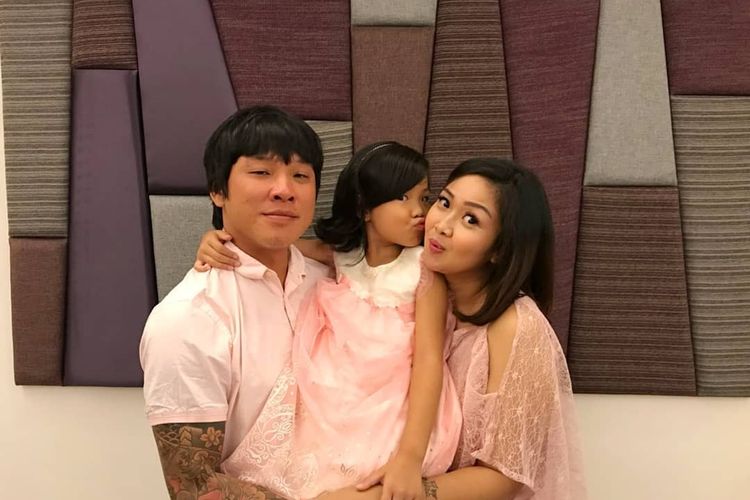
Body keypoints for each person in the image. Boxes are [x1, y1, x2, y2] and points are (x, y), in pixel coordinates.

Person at [199, 158, 586, 500]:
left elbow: (506, 479)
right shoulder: (410, 277)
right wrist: (222, 240)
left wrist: (386, 490)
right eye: (443, 202)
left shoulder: (517, 327)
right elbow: (292, 248)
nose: (441, 225)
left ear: (501, 247)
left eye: (471, 220)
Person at [199, 142, 462, 500]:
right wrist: (216, 240)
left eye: (425, 198)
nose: (420, 211)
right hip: (333, 397)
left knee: (364, 478)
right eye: (403, 198)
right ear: (364, 208)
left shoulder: (423, 269)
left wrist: (410, 456)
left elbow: (430, 359)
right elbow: (272, 246)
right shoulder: (343, 255)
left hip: (394, 401)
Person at [139, 105, 330, 500]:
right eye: (261, 172)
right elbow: (194, 485)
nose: (284, 189)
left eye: (300, 175)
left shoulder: (336, 284)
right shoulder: (188, 319)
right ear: (217, 190)